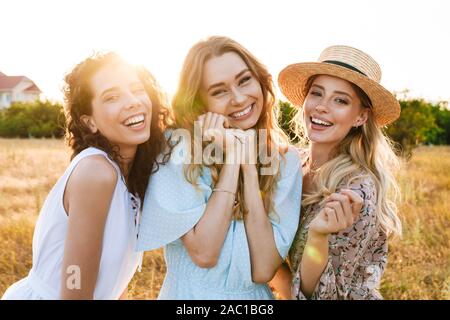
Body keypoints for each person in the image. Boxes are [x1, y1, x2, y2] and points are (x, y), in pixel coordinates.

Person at [136, 36, 302, 299]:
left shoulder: (286, 161)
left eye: (244, 80)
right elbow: (204, 252)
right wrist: (232, 162)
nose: (238, 98)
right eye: (219, 91)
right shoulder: (178, 149)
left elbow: (263, 269)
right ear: (200, 103)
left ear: (260, 80)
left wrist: (247, 167)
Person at [1, 52, 170, 299]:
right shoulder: (97, 172)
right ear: (90, 122)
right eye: (112, 97)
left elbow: (113, 281)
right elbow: (75, 283)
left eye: (136, 89)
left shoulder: (130, 177)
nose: (133, 101)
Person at [271, 45, 402, 300]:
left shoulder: (355, 190)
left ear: (360, 117)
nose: (321, 107)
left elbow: (318, 293)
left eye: (340, 100)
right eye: (316, 94)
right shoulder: (291, 163)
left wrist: (318, 235)